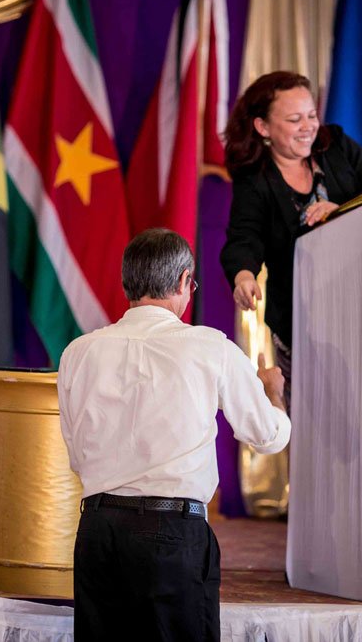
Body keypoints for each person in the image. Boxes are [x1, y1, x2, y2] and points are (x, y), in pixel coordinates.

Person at [58, 228, 291, 641]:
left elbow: (76, 453)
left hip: (98, 531)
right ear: (184, 281)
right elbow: (268, 435)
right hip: (172, 535)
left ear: (127, 282)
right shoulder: (210, 347)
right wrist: (273, 392)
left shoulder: (78, 352)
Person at [220, 71, 362, 410]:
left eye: (312, 115)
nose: (308, 127)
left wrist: (344, 210)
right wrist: (243, 276)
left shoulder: (337, 145)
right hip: (299, 324)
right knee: (312, 421)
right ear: (263, 127)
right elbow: (244, 237)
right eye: (294, 119)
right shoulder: (255, 179)